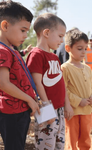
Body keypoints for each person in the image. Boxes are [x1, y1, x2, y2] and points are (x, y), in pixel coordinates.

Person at [26, 13, 74, 150]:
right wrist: (47, 109)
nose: (61, 40)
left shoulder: (54, 57)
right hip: (46, 109)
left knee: (59, 145)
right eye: (60, 36)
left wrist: (67, 105)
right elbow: (36, 84)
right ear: (46, 33)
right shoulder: (36, 55)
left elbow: (61, 83)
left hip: (59, 109)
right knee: (45, 146)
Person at [0, 1, 40, 150]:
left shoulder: (11, 50)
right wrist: (29, 99)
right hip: (12, 112)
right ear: (5, 26)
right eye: (23, 30)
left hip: (20, 109)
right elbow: (3, 83)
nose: (25, 35)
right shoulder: (2, 50)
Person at [62, 28, 92, 150]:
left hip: (87, 110)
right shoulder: (65, 68)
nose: (83, 52)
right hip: (73, 111)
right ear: (68, 48)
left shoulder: (88, 68)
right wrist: (77, 101)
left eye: (85, 49)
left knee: (85, 140)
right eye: (79, 48)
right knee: (72, 140)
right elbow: (63, 89)